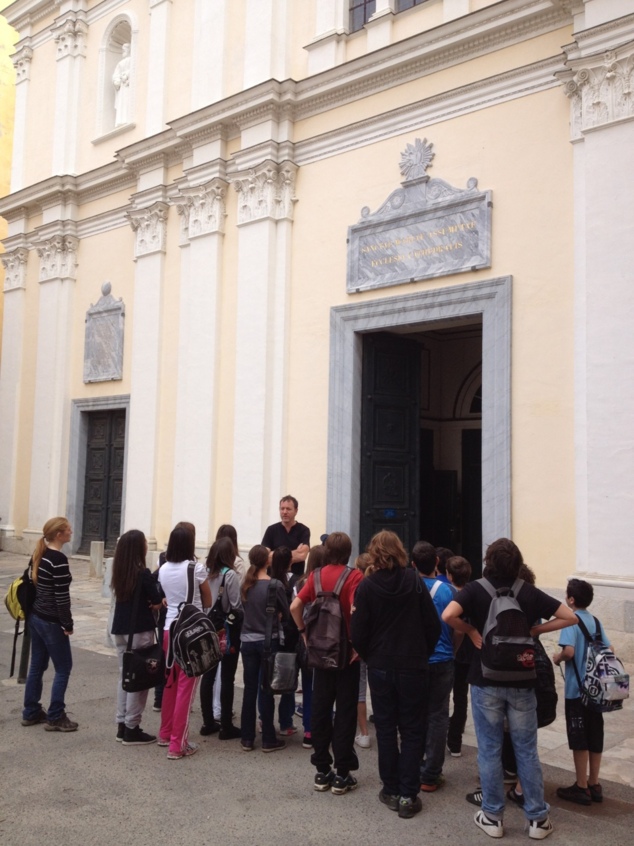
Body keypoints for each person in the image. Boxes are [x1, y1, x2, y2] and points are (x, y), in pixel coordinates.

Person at [443, 538, 577, 841]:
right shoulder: (526, 591)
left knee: (489, 750)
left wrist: (472, 630)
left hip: (485, 679)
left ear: (488, 561)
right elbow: (570, 616)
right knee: (526, 751)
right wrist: (535, 631)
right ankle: (537, 819)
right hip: (522, 681)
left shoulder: (476, 589)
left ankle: (492, 816)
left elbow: (448, 615)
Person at [351, 531, 440, 819]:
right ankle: (407, 794)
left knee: (387, 729)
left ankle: (390, 789)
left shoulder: (367, 587)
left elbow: (358, 633)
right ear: (400, 551)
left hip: (381, 666)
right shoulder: (414, 581)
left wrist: (370, 655)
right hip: (413, 665)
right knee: (413, 729)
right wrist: (421, 654)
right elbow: (433, 626)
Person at [290, 531, 363, 795]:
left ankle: (322, 771)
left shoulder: (316, 576)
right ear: (348, 552)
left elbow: (295, 607)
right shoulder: (354, 577)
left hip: (320, 653)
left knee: (320, 709)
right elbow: (357, 612)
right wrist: (358, 645)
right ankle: (342, 774)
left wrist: (304, 634)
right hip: (346, 656)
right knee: (345, 713)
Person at [553, 578, 609, 806]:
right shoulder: (595, 621)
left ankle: (581, 786)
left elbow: (568, 651)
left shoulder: (570, 621)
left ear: (571, 599)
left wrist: (557, 658)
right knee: (595, 735)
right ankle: (594, 783)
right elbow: (609, 647)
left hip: (577, 690)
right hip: (597, 690)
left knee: (579, 738)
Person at [158, 525, 211, 759]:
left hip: (169, 630)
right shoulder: (195, 568)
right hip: (190, 632)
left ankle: (166, 732)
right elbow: (208, 599)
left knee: (171, 682)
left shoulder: (163, 568)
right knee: (186, 689)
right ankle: (178, 745)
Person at [22, 517, 78, 732]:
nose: (71, 531)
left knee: (37, 665)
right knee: (63, 668)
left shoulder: (41, 554)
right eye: (67, 529)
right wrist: (67, 624)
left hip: (37, 616)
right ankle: (55, 715)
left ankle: (31, 711)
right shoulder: (58, 559)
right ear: (58, 535)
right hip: (52, 620)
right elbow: (61, 597)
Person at [110, 529, 164, 745]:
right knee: (139, 680)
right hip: (139, 630)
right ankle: (132, 727)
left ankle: (122, 723)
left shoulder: (120, 571)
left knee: (125, 677)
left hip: (121, 630)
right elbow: (156, 598)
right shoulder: (142, 573)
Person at [411, 540, 456, 792]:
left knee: (415, 713)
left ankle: (413, 763)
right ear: (437, 562)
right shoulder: (448, 591)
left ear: (413, 564)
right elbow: (455, 627)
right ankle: (431, 774)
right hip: (442, 659)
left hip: (416, 660)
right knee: (438, 715)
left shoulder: (409, 588)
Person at [239, 544, 289, 752]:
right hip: (269, 641)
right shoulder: (275, 585)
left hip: (248, 640)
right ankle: (268, 737)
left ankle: (247, 737)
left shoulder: (246, 584)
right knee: (266, 690)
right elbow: (286, 612)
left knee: (249, 690)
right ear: (267, 561)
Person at [199, 537, 243, 740]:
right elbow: (235, 605)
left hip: (208, 628)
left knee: (208, 675)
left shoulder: (206, 573)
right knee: (227, 677)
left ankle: (208, 721)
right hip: (226, 630)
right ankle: (226, 724)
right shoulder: (230, 575)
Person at [293, 543, 326, 749]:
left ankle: (308, 730)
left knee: (307, 686)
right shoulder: (326, 582)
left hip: (305, 638)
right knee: (322, 687)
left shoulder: (299, 583)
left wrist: (301, 629)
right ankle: (320, 727)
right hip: (324, 638)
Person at [267, 545, 299, 736]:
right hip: (289, 632)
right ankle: (285, 722)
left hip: (270, 632)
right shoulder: (294, 581)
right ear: (290, 562)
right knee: (289, 675)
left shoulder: (268, 579)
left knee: (268, 675)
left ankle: (264, 719)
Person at [445, 555, 473, 758]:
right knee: (461, 696)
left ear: (449, 575)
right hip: (470, 653)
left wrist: (453, 649)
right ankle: (456, 740)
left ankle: (449, 736)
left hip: (454, 651)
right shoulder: (475, 593)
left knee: (445, 695)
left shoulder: (451, 595)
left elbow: (457, 630)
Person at [262, 495, 310, 576]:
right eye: (282, 508)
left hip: (296, 579)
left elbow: (302, 555)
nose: (284, 512)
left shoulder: (303, 530)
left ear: (296, 511)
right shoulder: (271, 530)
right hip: (274, 579)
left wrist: (275, 556)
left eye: (288, 509)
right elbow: (265, 557)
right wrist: (294, 554)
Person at [353, 552, 373, 750]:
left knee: (360, 691)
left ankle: (364, 733)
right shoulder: (380, 587)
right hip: (379, 646)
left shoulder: (359, 589)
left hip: (361, 647)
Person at [112, 43, 131, 126]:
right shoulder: (120, 63)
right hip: (122, 88)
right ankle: (121, 120)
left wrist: (127, 75)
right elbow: (116, 74)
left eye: (124, 49)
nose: (123, 51)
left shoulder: (132, 60)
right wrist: (117, 80)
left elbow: (135, 70)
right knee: (122, 103)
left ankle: (127, 119)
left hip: (128, 86)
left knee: (127, 101)